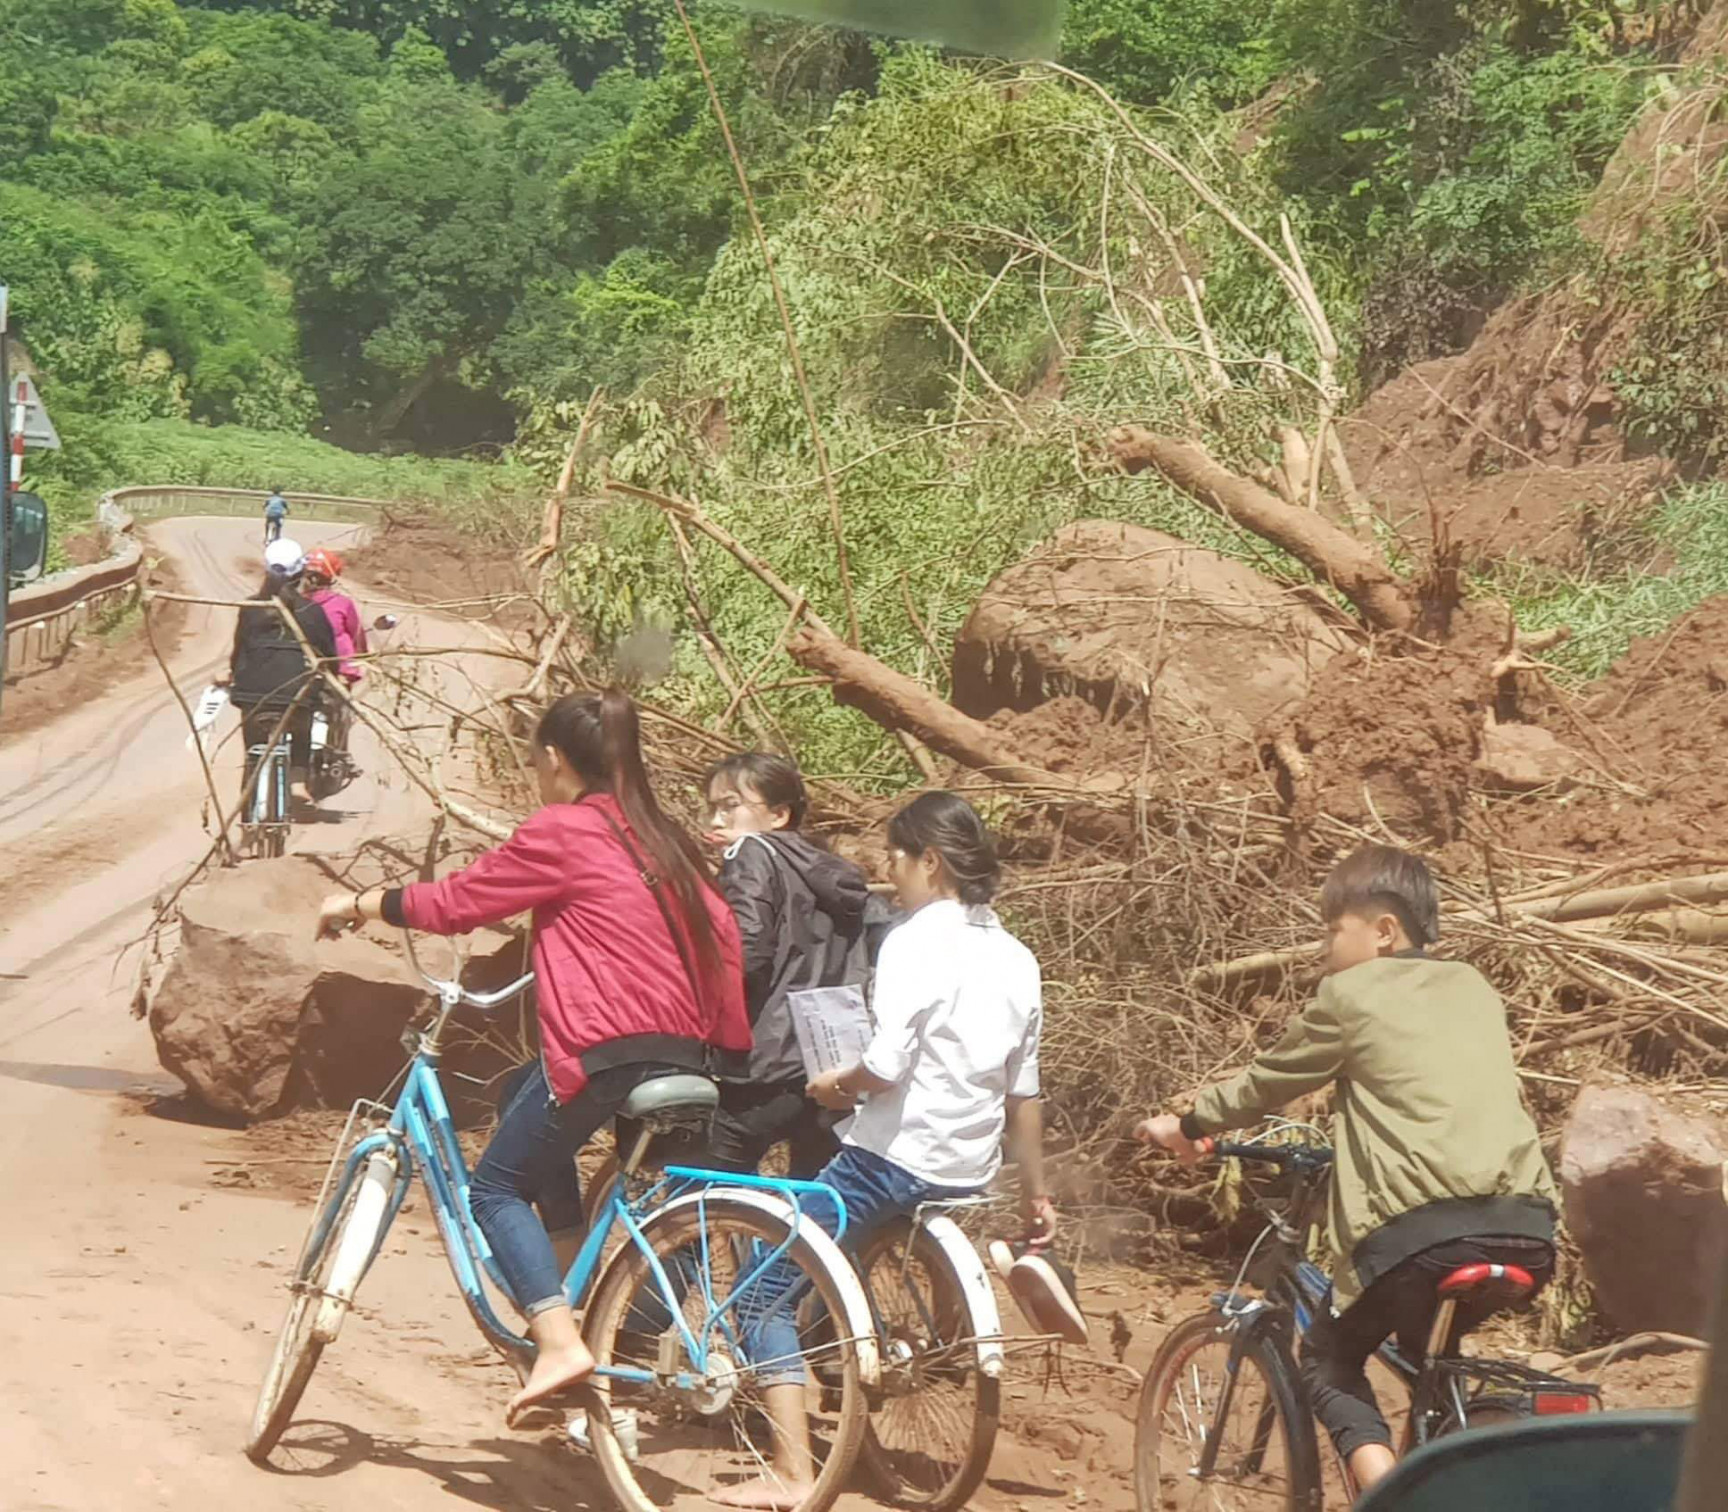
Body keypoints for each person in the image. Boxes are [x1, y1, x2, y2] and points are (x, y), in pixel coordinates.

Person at [314, 689, 751, 1427]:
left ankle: (556, 1339)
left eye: (532, 759)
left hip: (606, 1049)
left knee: (493, 1189)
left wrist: (359, 903)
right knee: (524, 1087)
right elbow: (726, 942)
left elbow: (458, 902)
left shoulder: (566, 831)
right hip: (687, 1051)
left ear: (554, 759)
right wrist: (726, 1052)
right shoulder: (663, 839)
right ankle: (576, 1270)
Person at [1135, 845, 1558, 1497]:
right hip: (1527, 1226)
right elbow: (1431, 1099)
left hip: (1423, 1235)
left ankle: (1389, 1500)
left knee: (1329, 1360)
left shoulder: (1351, 993)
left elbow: (1269, 1082)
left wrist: (1189, 1125)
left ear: (1385, 931)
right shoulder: (1474, 989)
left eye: (1335, 930)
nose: (1326, 946)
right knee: (1429, 1364)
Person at [719, 791, 1054, 1511]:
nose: (890, 874)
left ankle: (790, 1469)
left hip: (891, 1157)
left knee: (763, 1294)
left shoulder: (913, 941)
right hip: (967, 1167)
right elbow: (1024, 1094)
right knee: (828, 1231)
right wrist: (1037, 1194)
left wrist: (835, 1087)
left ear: (930, 861)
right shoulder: (1017, 957)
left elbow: (885, 1066)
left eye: (897, 859)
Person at [703, 751, 878, 1179]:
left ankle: (689, 1246)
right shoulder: (835, 874)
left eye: (730, 806)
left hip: (765, 1067)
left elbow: (742, 954)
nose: (715, 821)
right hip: (833, 1066)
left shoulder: (751, 850)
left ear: (779, 814)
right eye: (710, 808)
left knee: (698, 1193)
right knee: (814, 1213)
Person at [225, 538, 336, 803]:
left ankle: (252, 782)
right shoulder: (312, 611)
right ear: (302, 573)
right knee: (303, 722)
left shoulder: (251, 608)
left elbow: (239, 650)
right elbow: (328, 656)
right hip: (296, 693)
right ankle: (298, 781)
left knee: (253, 742)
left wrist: (233, 675)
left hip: (252, 693)